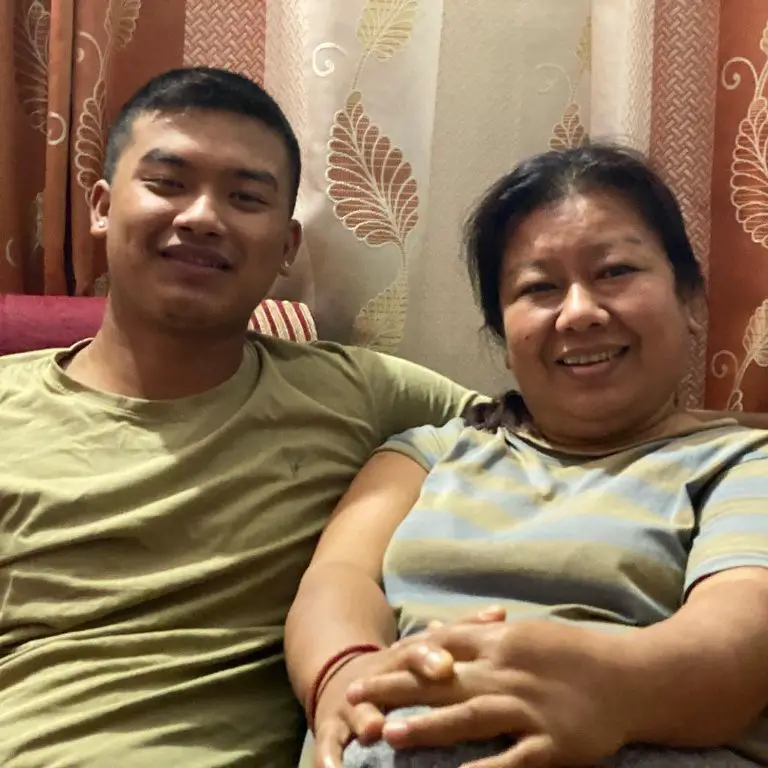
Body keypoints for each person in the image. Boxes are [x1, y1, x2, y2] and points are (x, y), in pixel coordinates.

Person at [0, 67, 479, 768]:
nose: (200, 217)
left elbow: (558, 430)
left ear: (286, 247)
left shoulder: (359, 393)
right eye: (167, 183)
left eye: (245, 197)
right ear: (102, 206)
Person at [286, 144, 768, 768]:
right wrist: (346, 676)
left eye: (616, 271)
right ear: (504, 338)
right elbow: (338, 578)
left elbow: (739, 638)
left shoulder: (742, 464)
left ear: (692, 304)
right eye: (539, 288)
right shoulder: (430, 454)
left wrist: (602, 686)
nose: (580, 313)